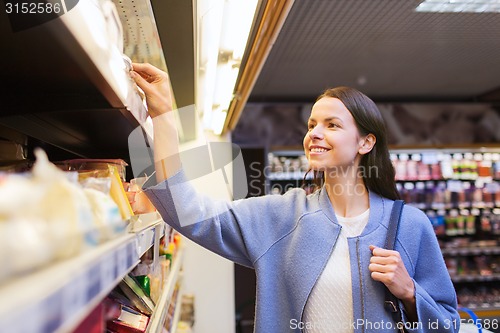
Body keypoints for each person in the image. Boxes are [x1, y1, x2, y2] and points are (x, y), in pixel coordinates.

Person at [130, 63, 459, 333]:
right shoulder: (281, 217)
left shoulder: (411, 227)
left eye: (332, 125)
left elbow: (450, 324)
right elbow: (188, 212)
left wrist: (411, 294)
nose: (314, 133)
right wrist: (163, 117)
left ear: (365, 143)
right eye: (312, 124)